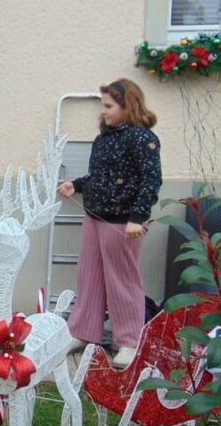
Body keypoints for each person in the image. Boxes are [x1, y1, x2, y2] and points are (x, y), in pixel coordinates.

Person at [57, 78, 162, 368]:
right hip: (95, 216)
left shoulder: (143, 139)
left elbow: (151, 181)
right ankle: (83, 331)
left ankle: (128, 341)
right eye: (103, 106)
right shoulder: (104, 138)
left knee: (122, 281)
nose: (103, 111)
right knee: (89, 276)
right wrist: (76, 185)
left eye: (108, 106)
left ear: (128, 106)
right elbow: (99, 178)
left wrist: (138, 217)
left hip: (124, 224)